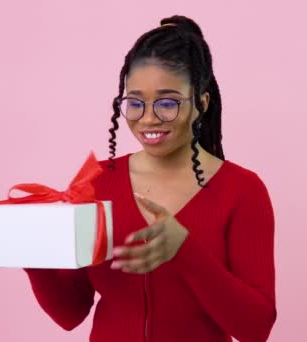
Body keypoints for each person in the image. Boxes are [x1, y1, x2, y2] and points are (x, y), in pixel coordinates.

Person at [24, 15, 277, 342]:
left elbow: (255, 328)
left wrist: (184, 248)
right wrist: (35, 259)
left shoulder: (242, 191)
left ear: (201, 105)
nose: (148, 119)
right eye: (135, 103)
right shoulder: (97, 182)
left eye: (168, 103)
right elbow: (71, 312)